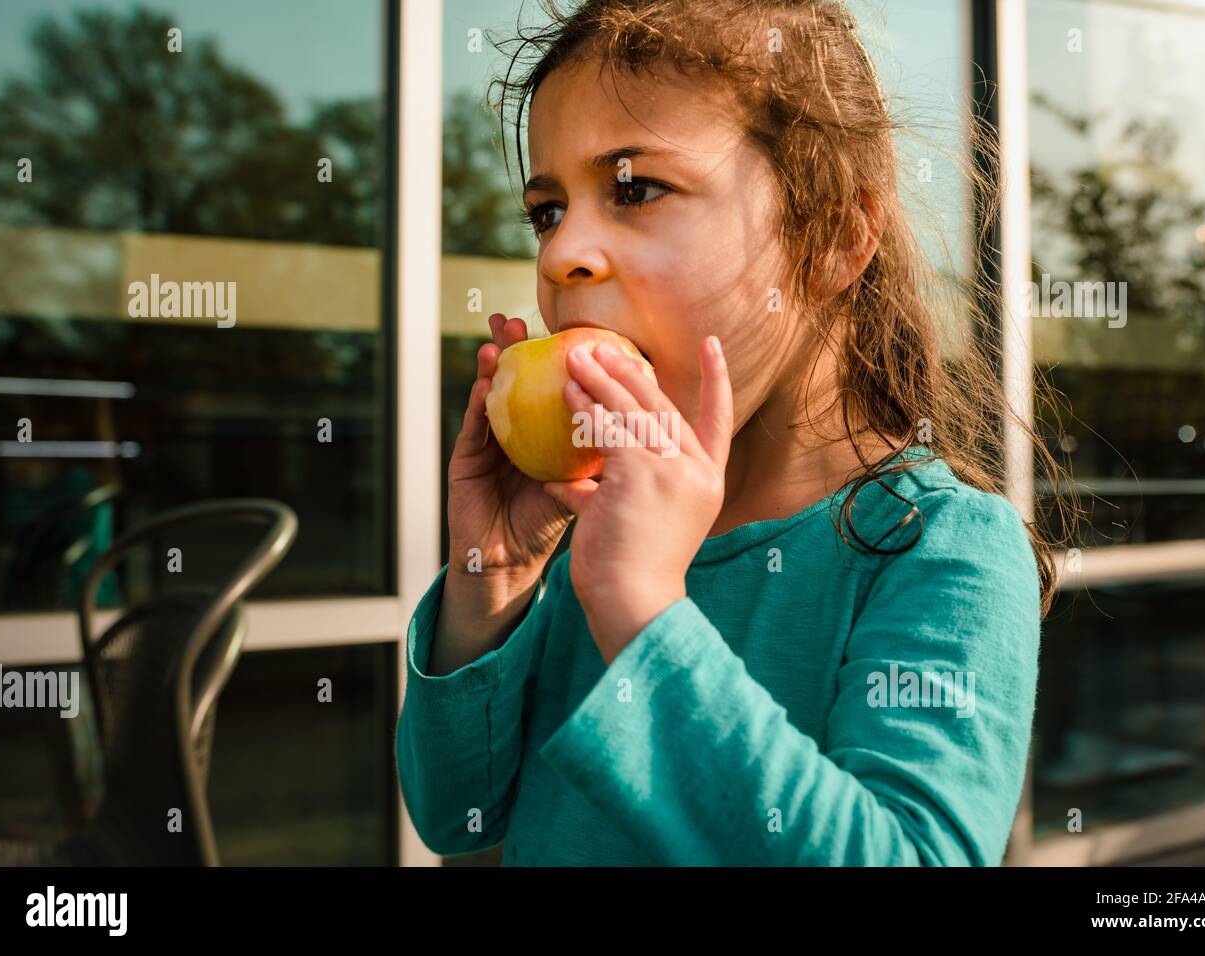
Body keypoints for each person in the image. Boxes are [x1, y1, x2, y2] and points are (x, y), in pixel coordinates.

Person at [397, 0, 1077, 866]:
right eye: (547, 210)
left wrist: (644, 606)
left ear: (833, 236)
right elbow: (454, 812)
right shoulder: (597, 525)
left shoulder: (938, 551)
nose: (561, 251)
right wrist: (494, 577)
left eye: (635, 189)